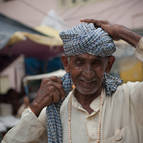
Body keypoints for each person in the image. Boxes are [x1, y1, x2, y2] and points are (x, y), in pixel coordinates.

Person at [2, 19, 143, 143]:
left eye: (96, 63)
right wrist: (36, 106)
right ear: (66, 63)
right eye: (79, 62)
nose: (88, 74)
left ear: (109, 64)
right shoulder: (53, 112)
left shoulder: (132, 98)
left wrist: (122, 33)